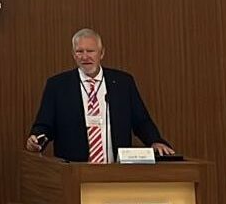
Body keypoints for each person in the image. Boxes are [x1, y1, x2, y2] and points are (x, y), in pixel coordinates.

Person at [26, 28, 175, 163]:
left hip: (115, 170)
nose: (85, 57)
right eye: (79, 51)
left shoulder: (123, 83)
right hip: (74, 171)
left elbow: (141, 121)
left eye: (90, 51)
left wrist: (155, 141)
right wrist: (36, 139)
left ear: (101, 53)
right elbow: (44, 125)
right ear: (73, 55)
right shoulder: (58, 85)